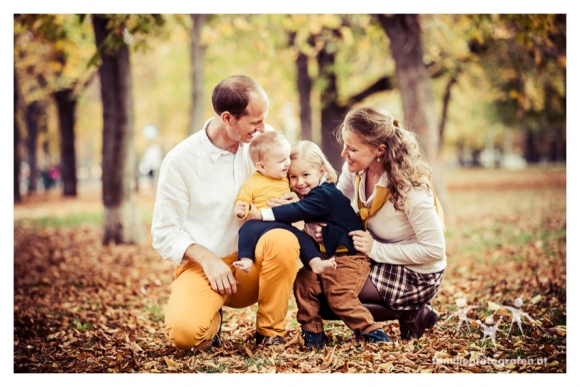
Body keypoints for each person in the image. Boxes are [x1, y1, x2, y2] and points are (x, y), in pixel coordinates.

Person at [151, 75, 300, 351]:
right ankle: (212, 321)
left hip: (255, 264)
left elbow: (304, 177)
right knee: (185, 336)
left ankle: (270, 331)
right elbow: (163, 233)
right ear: (228, 118)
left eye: (264, 119)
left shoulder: (265, 143)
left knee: (284, 240)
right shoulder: (180, 161)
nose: (264, 128)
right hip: (205, 269)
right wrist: (207, 258)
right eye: (255, 123)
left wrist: (297, 196)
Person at [300, 106, 446, 341]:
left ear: (379, 150)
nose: (343, 153)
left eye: (353, 148)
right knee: (313, 284)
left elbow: (435, 250)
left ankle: (413, 312)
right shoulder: (355, 171)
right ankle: (409, 315)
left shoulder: (411, 190)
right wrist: (312, 226)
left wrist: (375, 249)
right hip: (375, 258)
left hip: (415, 273)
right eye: (345, 145)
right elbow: (332, 211)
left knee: (330, 294)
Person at [247, 140, 391, 349]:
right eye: (293, 176)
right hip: (326, 258)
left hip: (349, 258)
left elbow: (298, 211)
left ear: (321, 171)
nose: (299, 182)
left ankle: (371, 331)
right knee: (304, 283)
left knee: (339, 295)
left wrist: (261, 214)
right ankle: (313, 332)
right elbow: (300, 206)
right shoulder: (310, 195)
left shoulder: (326, 194)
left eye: (306, 175)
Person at [233, 131, 337, 275]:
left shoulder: (287, 179)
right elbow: (243, 199)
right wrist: (241, 209)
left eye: (287, 157)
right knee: (246, 230)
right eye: (281, 161)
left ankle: (316, 262)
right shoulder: (252, 183)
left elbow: (301, 204)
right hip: (259, 222)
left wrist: (298, 199)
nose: (287, 163)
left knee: (303, 238)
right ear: (262, 167)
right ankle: (246, 259)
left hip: (283, 224)